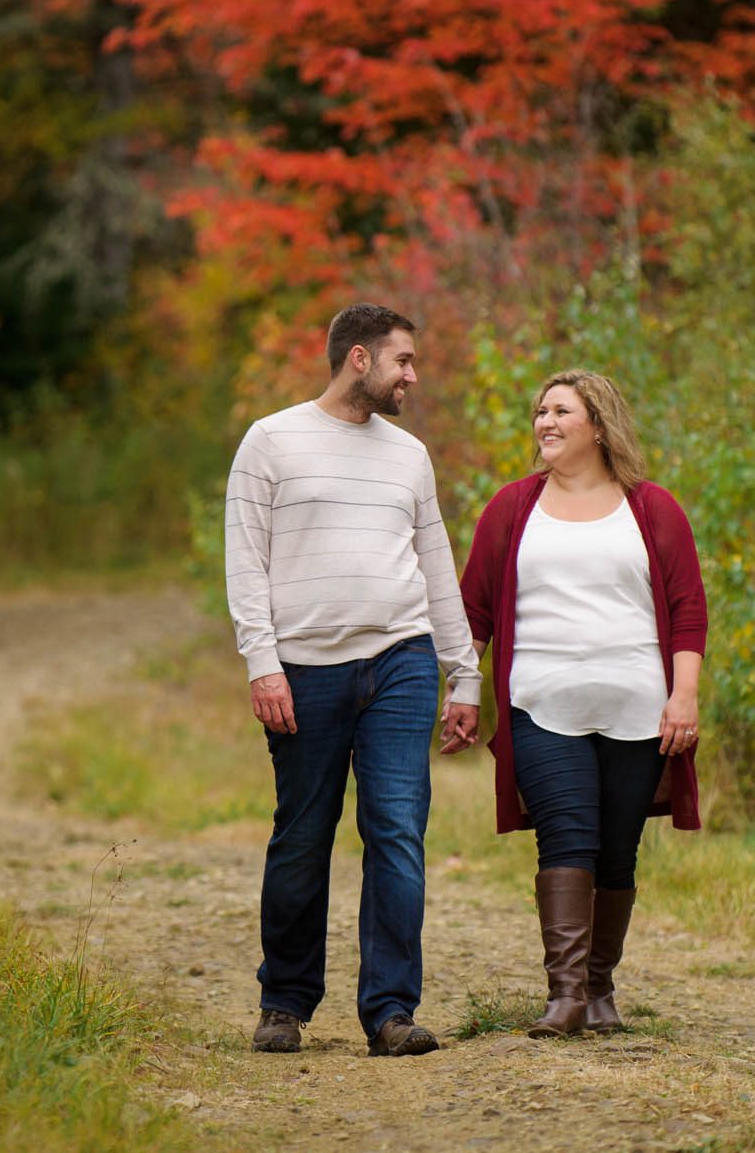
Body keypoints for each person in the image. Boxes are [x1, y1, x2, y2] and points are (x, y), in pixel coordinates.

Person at [224, 303, 484, 1058]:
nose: (414, 375)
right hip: (304, 665)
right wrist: (262, 662)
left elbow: (437, 568)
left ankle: (391, 1010)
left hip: (400, 660)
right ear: (360, 359)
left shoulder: (409, 455)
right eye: (404, 360)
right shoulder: (270, 441)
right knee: (303, 834)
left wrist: (463, 676)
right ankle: (285, 1002)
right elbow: (246, 562)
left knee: (397, 830)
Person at [455, 369, 706, 1037]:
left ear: (597, 423)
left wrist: (685, 696)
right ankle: (564, 995)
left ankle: (600, 989)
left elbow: (687, 611)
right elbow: (473, 609)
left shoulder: (652, 508)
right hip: (541, 703)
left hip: (637, 709)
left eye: (561, 410)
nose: (546, 422)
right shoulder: (513, 507)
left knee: (618, 849)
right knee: (566, 837)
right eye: (541, 412)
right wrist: (461, 687)